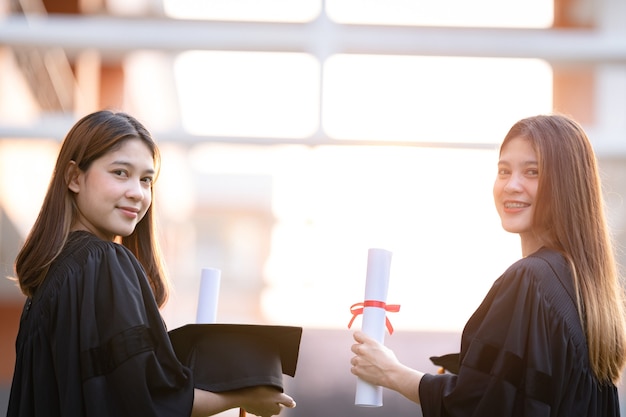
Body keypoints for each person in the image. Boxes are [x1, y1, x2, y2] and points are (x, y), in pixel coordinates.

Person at [6, 110, 296, 417]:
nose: (137, 193)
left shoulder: (51, 281)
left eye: (146, 180)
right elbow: (145, 399)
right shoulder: (103, 262)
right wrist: (243, 396)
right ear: (74, 177)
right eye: (120, 173)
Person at [350, 114, 626, 416]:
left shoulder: (531, 280)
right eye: (504, 171)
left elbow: (481, 405)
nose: (511, 185)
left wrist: (390, 371)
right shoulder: (584, 292)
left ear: (567, 184)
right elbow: (522, 395)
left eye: (532, 172)